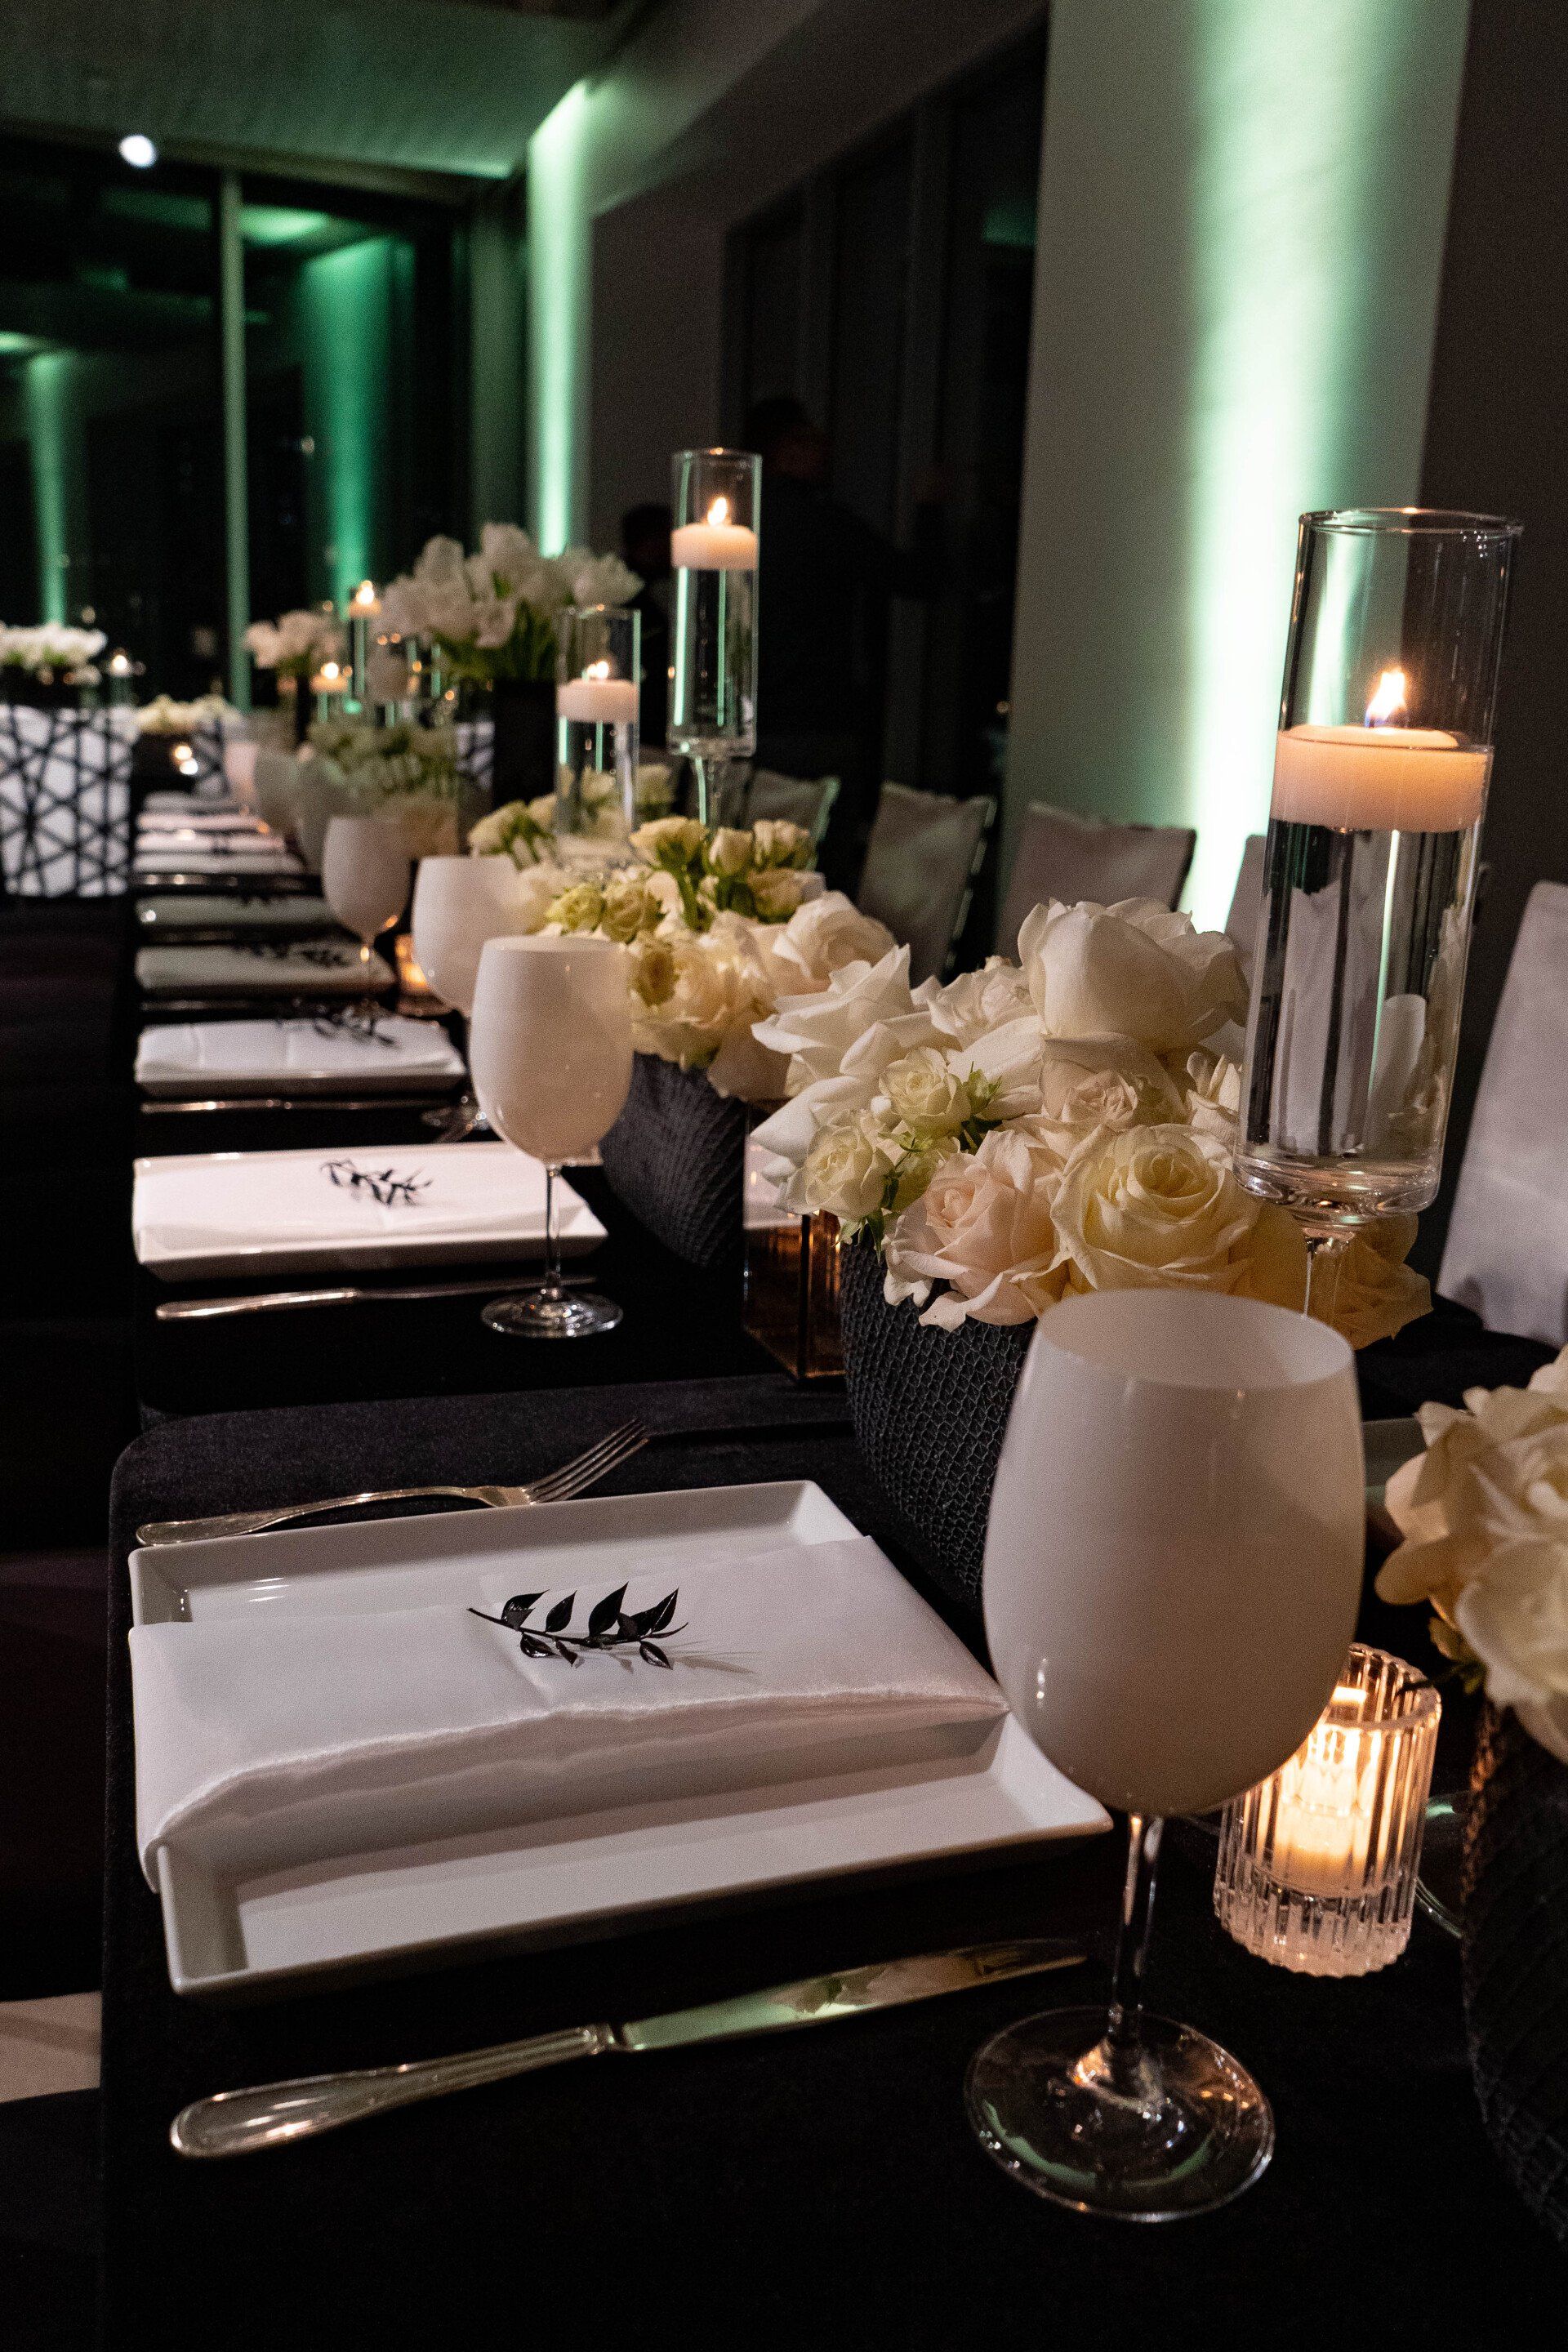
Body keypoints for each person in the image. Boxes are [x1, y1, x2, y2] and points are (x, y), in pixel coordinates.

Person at [745, 395, 943, 872]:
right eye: (813, 441)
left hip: (750, 724)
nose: (826, 452)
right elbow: (917, 578)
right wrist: (930, 511)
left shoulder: (741, 522)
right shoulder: (826, 524)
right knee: (819, 869)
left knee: (748, 866)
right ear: (787, 449)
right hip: (820, 722)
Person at [620, 502, 671, 750]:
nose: (672, 549)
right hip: (644, 735)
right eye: (665, 538)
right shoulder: (629, 603)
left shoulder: (646, 597)